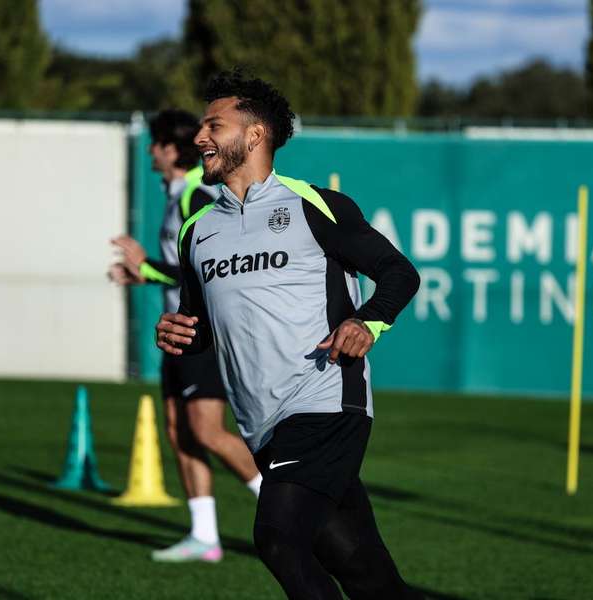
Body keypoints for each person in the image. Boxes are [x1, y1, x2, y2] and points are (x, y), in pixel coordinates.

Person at [156, 71, 423, 599]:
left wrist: (365, 322)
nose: (200, 137)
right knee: (365, 574)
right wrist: (181, 334)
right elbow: (203, 328)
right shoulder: (197, 231)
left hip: (325, 406)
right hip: (261, 425)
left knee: (277, 538)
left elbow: (399, 273)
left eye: (215, 125)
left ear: (255, 135)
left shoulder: (314, 206)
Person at [108, 109, 262, 563]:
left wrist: (147, 267)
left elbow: (207, 266)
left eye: (155, 144)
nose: (151, 151)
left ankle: (291, 511)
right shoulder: (176, 193)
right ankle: (204, 537)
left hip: (204, 332)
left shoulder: (198, 194)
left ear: (170, 150)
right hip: (177, 330)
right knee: (180, 432)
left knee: (208, 431)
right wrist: (143, 276)